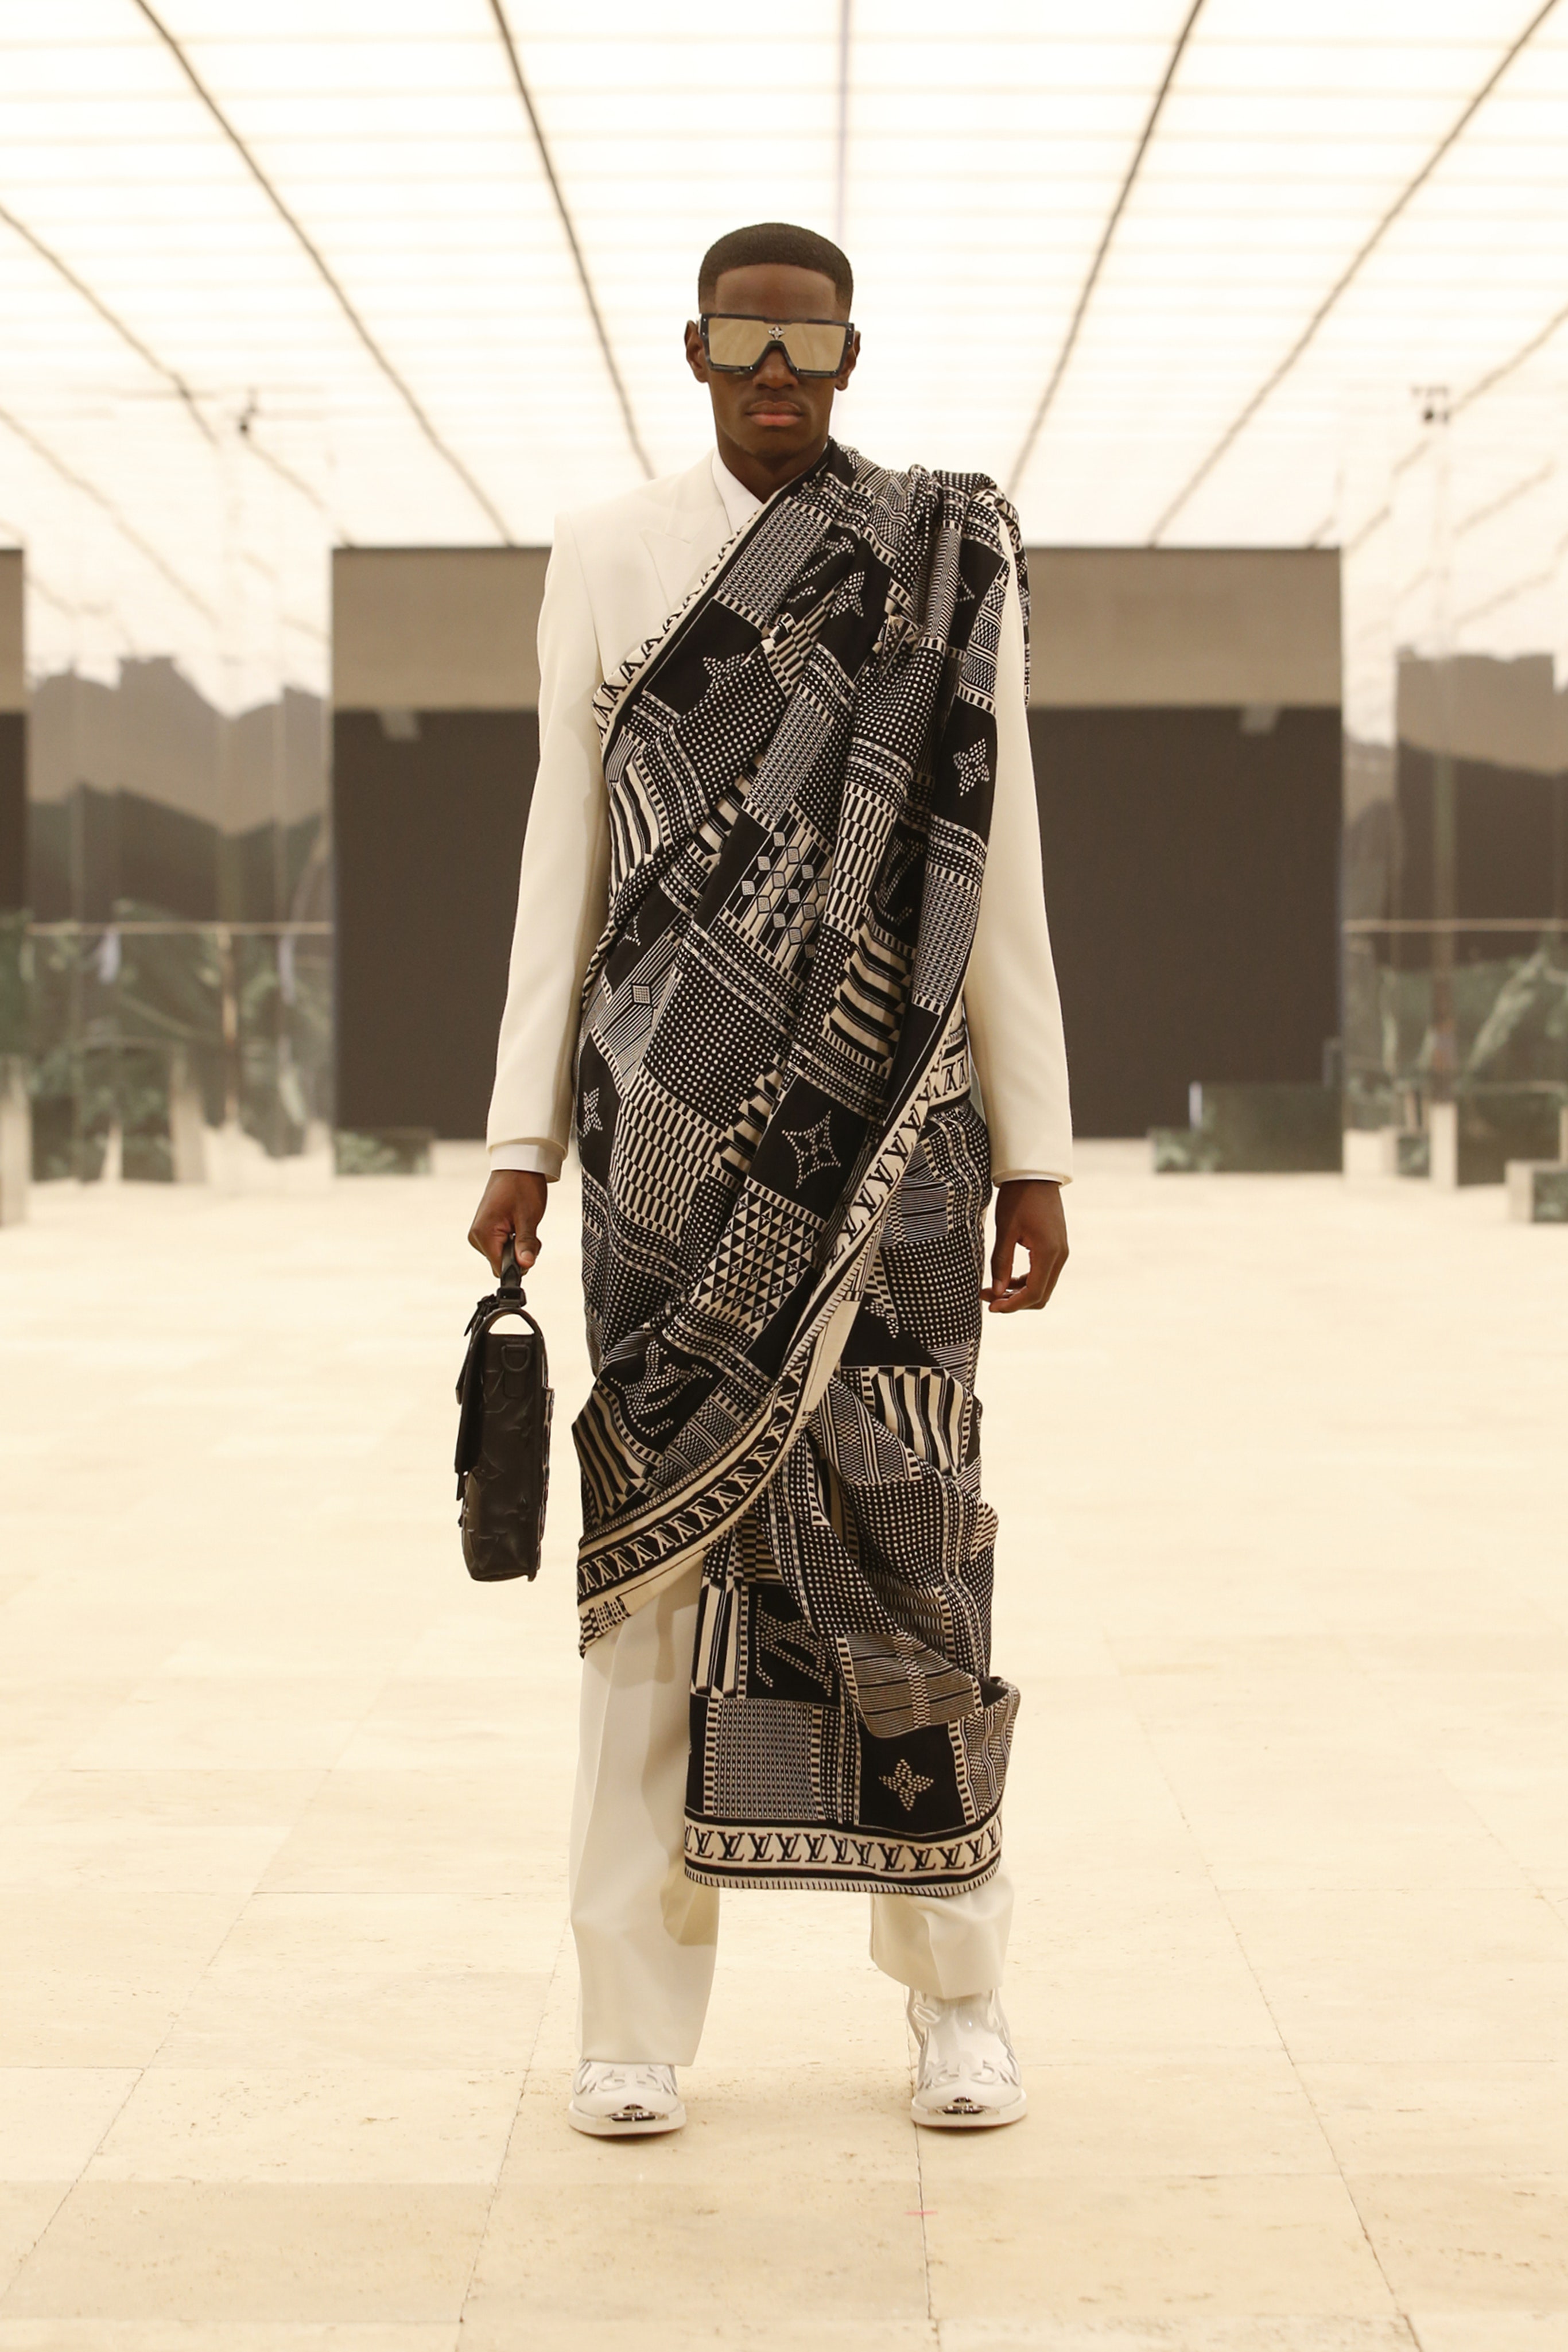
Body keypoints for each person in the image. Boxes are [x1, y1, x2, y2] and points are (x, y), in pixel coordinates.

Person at [468, 222, 1072, 2138]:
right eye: (744, 343)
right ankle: (630, 2021)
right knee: (652, 1565)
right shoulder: (603, 551)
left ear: (849, 357)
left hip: (900, 1139)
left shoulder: (940, 556)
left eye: (807, 348)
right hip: (659, 1141)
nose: (776, 377)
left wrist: (1038, 1145)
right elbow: (561, 847)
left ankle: (957, 1995)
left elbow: (994, 849)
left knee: (914, 1543)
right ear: (694, 350)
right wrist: (520, 1135)